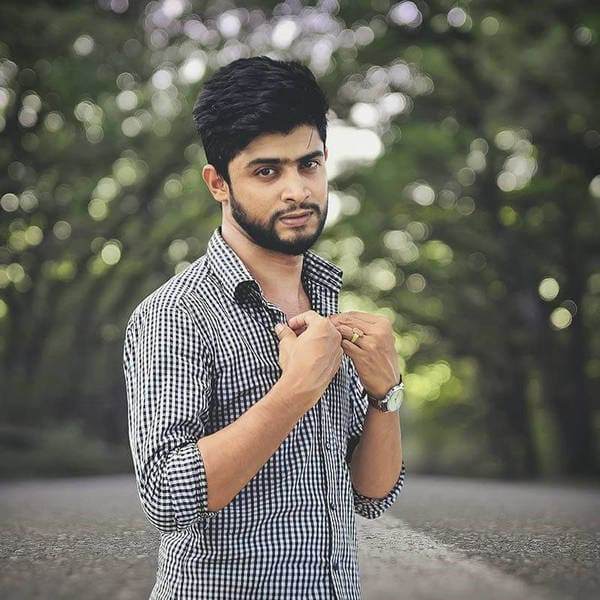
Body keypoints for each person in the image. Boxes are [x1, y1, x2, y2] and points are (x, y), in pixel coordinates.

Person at [123, 56, 405, 600]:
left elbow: (371, 496)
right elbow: (165, 497)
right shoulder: (177, 312)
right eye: (266, 171)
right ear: (218, 183)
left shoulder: (330, 307)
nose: (297, 191)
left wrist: (384, 395)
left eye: (309, 165)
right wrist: (295, 390)